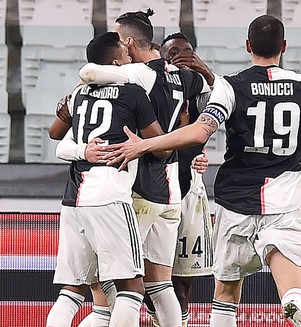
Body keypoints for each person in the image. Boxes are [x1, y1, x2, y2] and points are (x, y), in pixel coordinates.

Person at [101, 14, 301, 327]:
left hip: (236, 200)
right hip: (286, 198)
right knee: (287, 266)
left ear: (248, 46)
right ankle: (292, 302)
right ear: (284, 47)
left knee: (226, 291)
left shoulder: (230, 86)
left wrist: (144, 145)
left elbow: (198, 132)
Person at [78, 9, 215, 327]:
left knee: (109, 287)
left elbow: (90, 74)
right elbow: (209, 105)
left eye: (116, 39)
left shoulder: (140, 74)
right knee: (160, 282)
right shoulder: (185, 76)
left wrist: (75, 95)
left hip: (138, 187)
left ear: (127, 42)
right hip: (170, 192)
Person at [46, 31, 170, 327]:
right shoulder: (132, 92)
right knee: (132, 287)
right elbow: (160, 146)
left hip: (74, 197)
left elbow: (55, 133)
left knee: (73, 290)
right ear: (116, 62)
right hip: (109, 195)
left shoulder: (78, 93)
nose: (130, 58)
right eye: (125, 56)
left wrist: (82, 149)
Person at [143, 32, 214, 327]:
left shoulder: (203, 93)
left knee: (183, 282)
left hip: (189, 192)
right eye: (173, 54)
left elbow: (232, 106)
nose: (180, 59)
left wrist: (206, 71)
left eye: (187, 53)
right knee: (149, 281)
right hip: (154, 188)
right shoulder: (149, 90)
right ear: (162, 58)